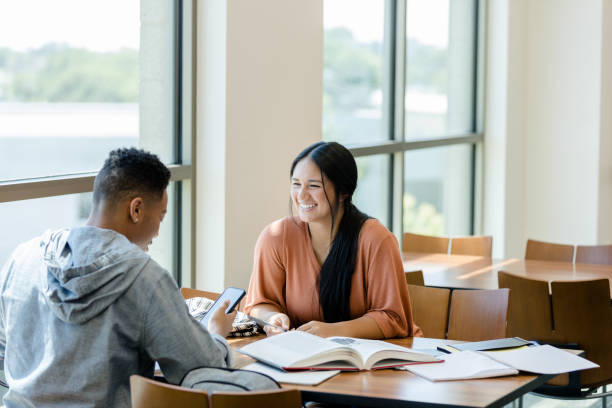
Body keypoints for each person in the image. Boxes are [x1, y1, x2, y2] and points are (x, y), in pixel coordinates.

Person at [0, 148, 235, 407]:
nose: (157, 231)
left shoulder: (22, 257)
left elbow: (4, 350)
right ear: (136, 209)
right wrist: (216, 334)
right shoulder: (145, 277)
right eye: (161, 216)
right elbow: (203, 368)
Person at [244, 141, 421, 339]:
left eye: (314, 186)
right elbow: (259, 303)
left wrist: (333, 331)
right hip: (304, 358)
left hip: (376, 360)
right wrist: (272, 317)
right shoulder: (276, 237)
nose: (301, 195)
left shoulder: (376, 239)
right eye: (296, 184)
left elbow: (392, 318)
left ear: (344, 192)